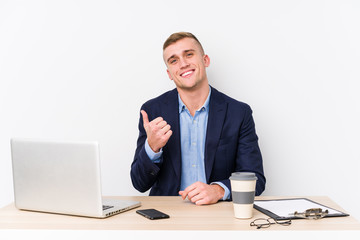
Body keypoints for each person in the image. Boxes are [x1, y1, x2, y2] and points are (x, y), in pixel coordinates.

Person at [130, 32, 265, 205]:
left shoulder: (238, 113)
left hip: (219, 216)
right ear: (169, 73)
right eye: (174, 60)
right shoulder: (152, 111)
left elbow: (256, 179)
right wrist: (152, 148)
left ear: (205, 60)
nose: (183, 64)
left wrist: (218, 190)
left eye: (189, 54)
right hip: (167, 217)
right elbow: (139, 184)